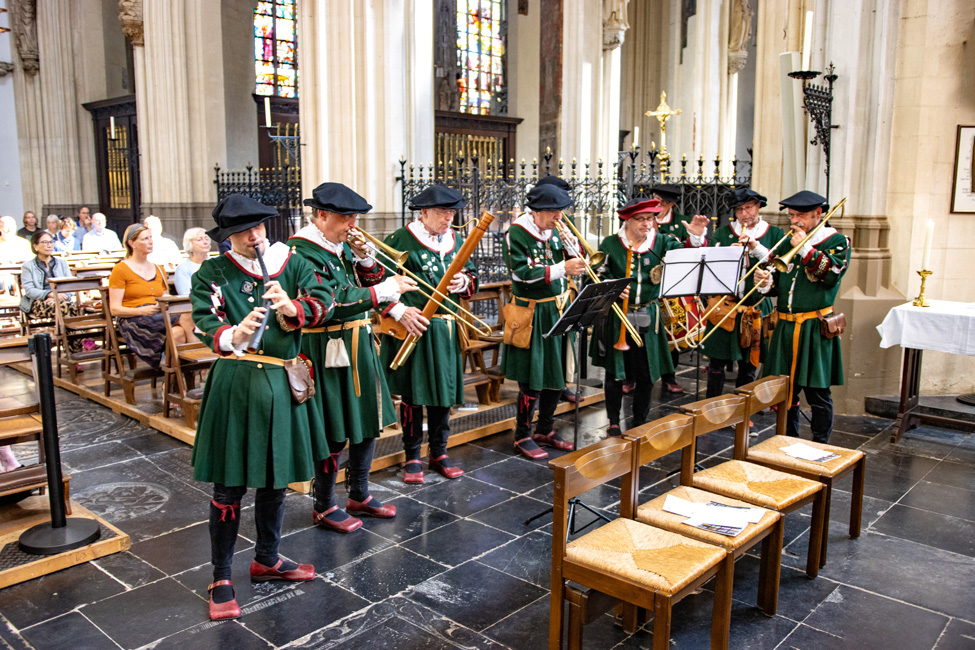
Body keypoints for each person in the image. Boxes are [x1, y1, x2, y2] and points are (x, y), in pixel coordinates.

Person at [190, 194, 335, 621]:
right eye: (242, 232)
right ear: (227, 236)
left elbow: (323, 299)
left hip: (283, 379)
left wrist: (294, 308)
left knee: (276, 478)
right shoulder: (213, 272)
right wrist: (234, 333)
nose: (254, 237)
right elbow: (203, 319)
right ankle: (220, 576)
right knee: (229, 485)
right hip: (236, 383)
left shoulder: (292, 262)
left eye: (258, 228)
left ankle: (267, 558)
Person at [290, 182, 416, 530]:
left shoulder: (340, 245)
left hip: (358, 342)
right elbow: (334, 301)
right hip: (326, 347)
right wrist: (383, 291)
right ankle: (325, 503)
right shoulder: (301, 251)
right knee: (334, 428)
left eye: (355, 218)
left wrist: (364, 258)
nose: (353, 225)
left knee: (366, 421)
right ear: (321, 215)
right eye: (346, 218)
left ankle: (358, 492)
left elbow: (372, 279)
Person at [380, 185, 479, 482]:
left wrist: (463, 280)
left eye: (451, 212)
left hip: (446, 329)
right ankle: (411, 455)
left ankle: (439, 452)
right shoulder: (400, 239)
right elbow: (381, 284)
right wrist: (398, 312)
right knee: (413, 395)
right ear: (423, 212)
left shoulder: (457, 239)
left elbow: (473, 275)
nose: (448, 219)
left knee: (443, 394)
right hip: (414, 327)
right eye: (441, 213)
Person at [500, 183, 587, 460]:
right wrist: (562, 267)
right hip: (532, 313)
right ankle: (522, 435)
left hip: (559, 309)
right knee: (531, 378)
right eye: (553, 213)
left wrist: (576, 252)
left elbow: (576, 259)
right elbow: (521, 273)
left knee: (556, 374)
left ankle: (545, 429)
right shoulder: (516, 232)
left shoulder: (559, 227)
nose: (559, 218)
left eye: (561, 212)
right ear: (536, 212)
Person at [754, 190, 849, 444]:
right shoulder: (787, 241)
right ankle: (787, 440)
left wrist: (804, 248)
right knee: (785, 391)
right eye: (792, 215)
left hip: (813, 327)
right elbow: (778, 284)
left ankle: (820, 444)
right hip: (785, 325)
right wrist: (765, 282)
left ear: (819, 214)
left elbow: (830, 276)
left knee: (818, 393)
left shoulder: (837, 241)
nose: (795, 220)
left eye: (802, 215)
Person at [591, 199, 689, 436]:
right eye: (641, 219)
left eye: (651, 218)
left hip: (649, 313)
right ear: (627, 220)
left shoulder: (662, 241)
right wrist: (611, 285)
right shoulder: (611, 243)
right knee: (615, 373)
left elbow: (685, 259)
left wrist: (694, 239)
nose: (648, 223)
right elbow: (593, 278)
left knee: (647, 374)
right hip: (618, 316)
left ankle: (639, 421)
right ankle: (613, 421)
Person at [702, 188, 786, 401]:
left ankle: (742, 414)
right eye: (739, 210)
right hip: (724, 306)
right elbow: (709, 268)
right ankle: (710, 408)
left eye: (748, 208)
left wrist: (755, 247)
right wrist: (726, 256)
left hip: (755, 306)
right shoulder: (723, 232)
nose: (744, 214)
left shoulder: (774, 234)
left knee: (750, 363)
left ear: (758, 206)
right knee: (716, 363)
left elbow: (780, 266)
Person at [650, 184, 710, 394]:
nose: (658, 204)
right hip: (649, 284)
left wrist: (695, 237)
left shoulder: (681, 222)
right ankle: (632, 377)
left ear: (672, 204)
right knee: (642, 332)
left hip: (673, 283)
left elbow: (692, 254)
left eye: (664, 202)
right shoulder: (644, 217)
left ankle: (669, 376)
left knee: (672, 331)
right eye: (656, 198)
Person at [107, 223, 192, 369]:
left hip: (158, 314)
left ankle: (171, 382)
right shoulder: (120, 269)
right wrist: (143, 311)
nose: (151, 242)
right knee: (187, 315)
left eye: (151, 237)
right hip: (133, 319)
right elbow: (114, 309)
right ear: (132, 243)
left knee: (177, 333)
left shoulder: (158, 268)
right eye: (145, 239)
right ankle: (201, 368)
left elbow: (165, 297)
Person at [173, 228, 211, 296]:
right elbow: (186, 294)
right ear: (190, 244)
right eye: (199, 239)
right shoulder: (183, 269)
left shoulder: (215, 264)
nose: (205, 242)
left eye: (206, 239)